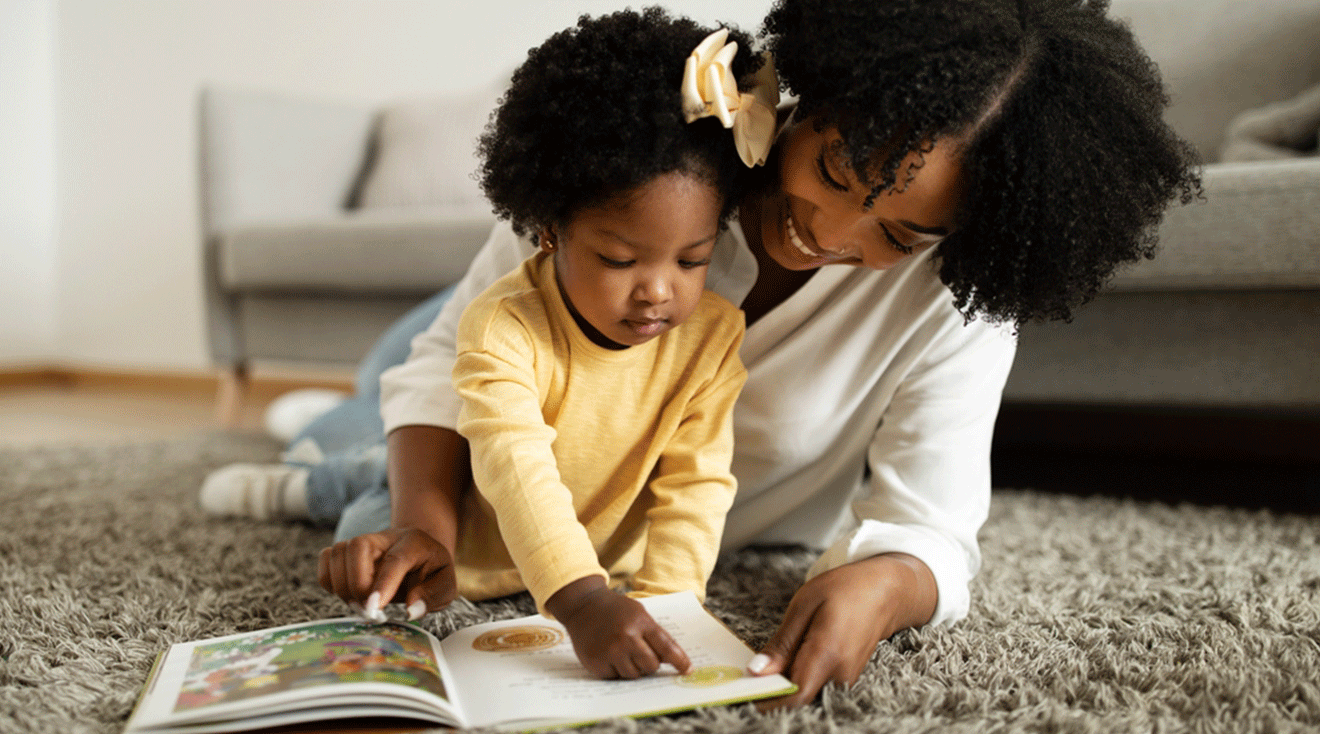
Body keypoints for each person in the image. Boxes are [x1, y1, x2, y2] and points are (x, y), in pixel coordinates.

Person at [203, 0, 1201, 708]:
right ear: (813, 97)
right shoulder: (648, 155)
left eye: (899, 234)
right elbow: (442, 367)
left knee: (348, 439)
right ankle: (314, 431)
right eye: (837, 170)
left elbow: (932, 527)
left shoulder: (954, 297)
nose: (834, 232)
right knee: (370, 448)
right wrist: (423, 514)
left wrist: (879, 584)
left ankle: (313, 427)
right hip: (508, 355)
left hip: (587, 457)